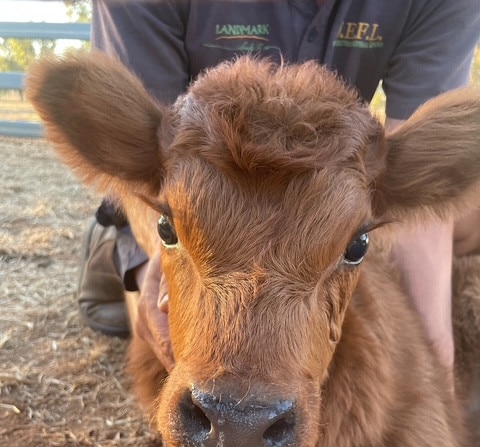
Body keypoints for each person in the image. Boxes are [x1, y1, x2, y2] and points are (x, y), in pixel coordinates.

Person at [79, 0, 480, 374]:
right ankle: (111, 256)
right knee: (166, 354)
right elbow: (145, 156)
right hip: (197, 207)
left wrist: (434, 362)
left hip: (321, 212)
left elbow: (414, 181)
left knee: (469, 215)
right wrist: (165, 245)